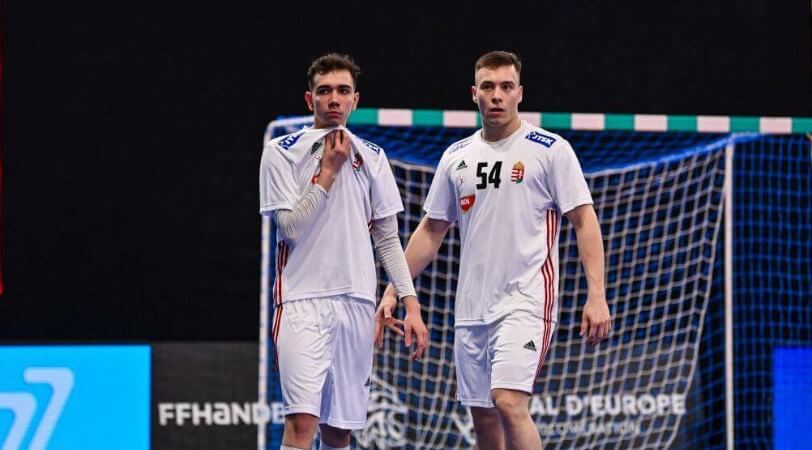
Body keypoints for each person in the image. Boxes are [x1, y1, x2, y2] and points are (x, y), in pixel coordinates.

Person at [375, 51, 612, 450]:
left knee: (508, 402)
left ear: (520, 93)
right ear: (475, 94)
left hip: (525, 300)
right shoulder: (456, 157)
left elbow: (584, 220)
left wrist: (597, 295)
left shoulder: (549, 150)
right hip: (471, 308)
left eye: (506, 86)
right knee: (483, 418)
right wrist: (393, 288)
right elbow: (431, 230)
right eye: (488, 86)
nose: (497, 95)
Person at [259, 53, 428, 450]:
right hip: (302, 302)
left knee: (339, 432)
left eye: (342, 91)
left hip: (357, 304)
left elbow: (387, 239)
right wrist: (328, 174)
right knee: (301, 424)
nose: (333, 99)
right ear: (310, 99)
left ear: (355, 99)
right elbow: (290, 229)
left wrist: (411, 303)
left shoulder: (374, 156)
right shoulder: (282, 150)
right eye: (324, 91)